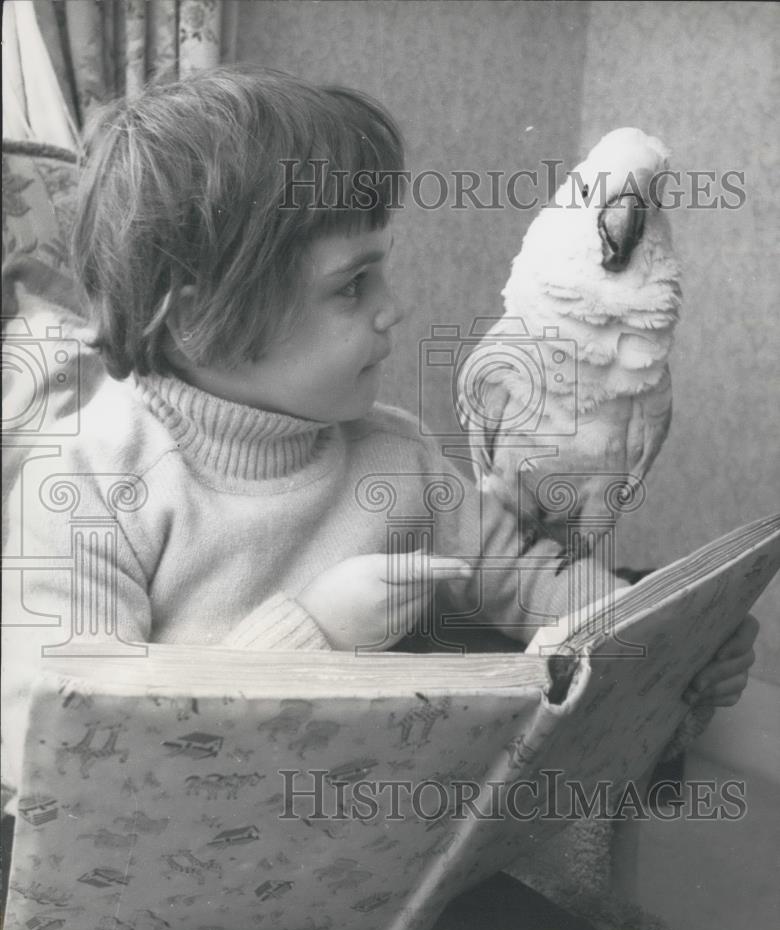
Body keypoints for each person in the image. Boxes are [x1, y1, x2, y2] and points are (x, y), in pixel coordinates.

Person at [1, 66, 756, 811]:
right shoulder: (86, 484)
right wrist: (314, 634)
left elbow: (529, 579)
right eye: (352, 285)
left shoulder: (399, 457)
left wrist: (665, 633)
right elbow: (62, 740)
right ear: (201, 319)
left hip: (352, 855)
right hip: (161, 880)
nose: (394, 309)